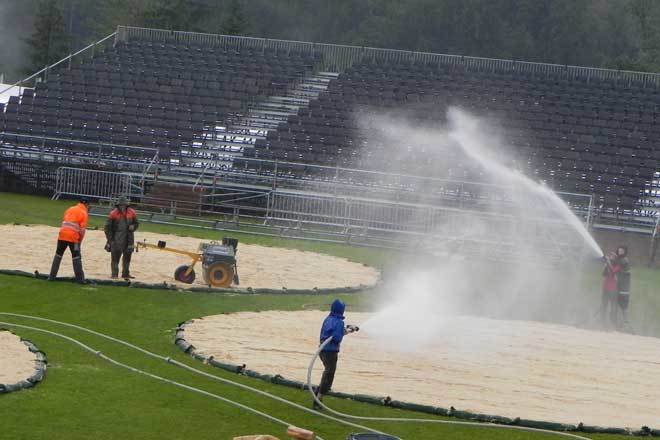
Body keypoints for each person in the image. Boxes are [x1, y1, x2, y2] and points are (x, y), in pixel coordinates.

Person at [313, 299, 358, 410]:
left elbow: (332, 333)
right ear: (342, 310)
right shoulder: (339, 322)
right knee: (329, 375)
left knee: (327, 373)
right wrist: (346, 330)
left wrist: (348, 330)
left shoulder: (328, 319)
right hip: (330, 352)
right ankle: (318, 398)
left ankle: (318, 392)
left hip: (322, 350)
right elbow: (337, 338)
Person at [48, 198, 90, 283]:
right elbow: (82, 230)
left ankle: (51, 277)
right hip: (73, 238)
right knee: (76, 257)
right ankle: (80, 279)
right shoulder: (84, 213)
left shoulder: (70, 209)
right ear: (86, 205)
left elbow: (65, 221)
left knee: (58, 255)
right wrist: (79, 242)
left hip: (62, 236)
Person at [104, 196, 139, 280]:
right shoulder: (113, 213)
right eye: (121, 205)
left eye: (124, 205)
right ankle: (114, 274)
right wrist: (110, 240)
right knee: (115, 258)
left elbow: (137, 223)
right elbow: (107, 228)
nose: (122, 206)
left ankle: (125, 274)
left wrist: (133, 226)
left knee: (127, 257)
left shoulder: (132, 212)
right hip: (116, 239)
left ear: (126, 205)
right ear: (118, 205)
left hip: (129, 239)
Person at [600, 250, 620, 329]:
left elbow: (613, 272)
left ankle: (612, 323)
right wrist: (606, 264)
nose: (611, 258)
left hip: (612, 289)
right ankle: (602, 322)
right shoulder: (607, 264)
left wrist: (608, 262)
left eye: (613, 257)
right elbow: (603, 274)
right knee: (604, 306)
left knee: (613, 307)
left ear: (616, 259)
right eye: (610, 256)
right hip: (605, 288)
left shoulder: (618, 266)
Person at [614, 246, 631, 330]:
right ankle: (619, 324)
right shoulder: (621, 260)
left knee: (623, 307)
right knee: (618, 306)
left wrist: (610, 260)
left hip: (623, 290)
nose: (619, 252)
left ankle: (624, 324)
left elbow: (616, 268)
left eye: (621, 251)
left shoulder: (624, 261)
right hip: (621, 288)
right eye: (619, 250)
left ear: (625, 252)